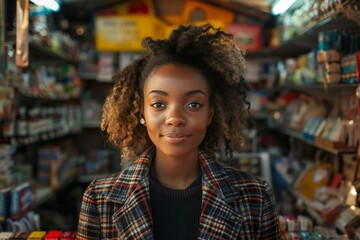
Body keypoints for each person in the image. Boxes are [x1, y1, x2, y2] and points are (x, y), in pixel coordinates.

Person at [76, 24, 281, 240]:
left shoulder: (255, 197)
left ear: (210, 113)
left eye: (193, 104)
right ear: (141, 112)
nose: (175, 119)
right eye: (158, 104)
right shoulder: (100, 199)